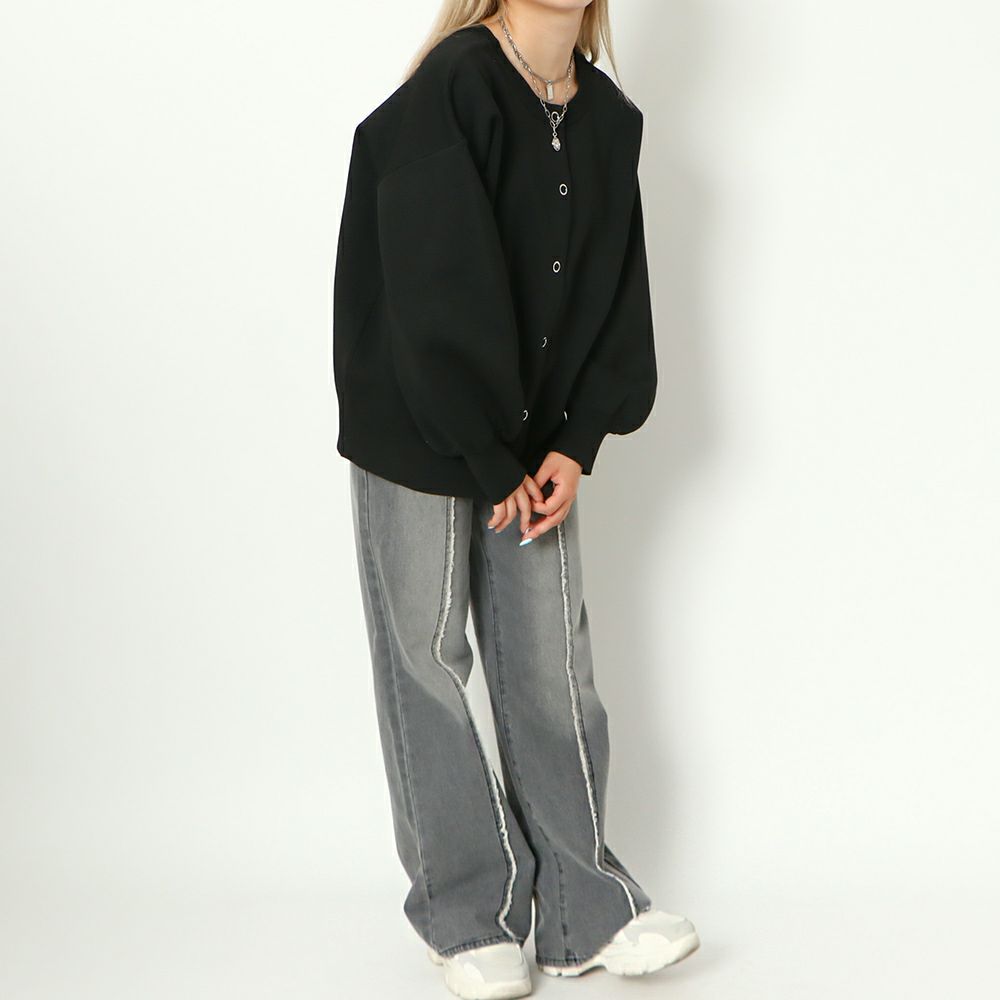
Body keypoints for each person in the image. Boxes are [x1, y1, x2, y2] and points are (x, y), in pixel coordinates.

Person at [332, 2, 699, 996]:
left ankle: (584, 912)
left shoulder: (607, 119)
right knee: (425, 656)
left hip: (535, 440)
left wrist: (576, 443)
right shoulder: (453, 86)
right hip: (417, 419)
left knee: (550, 661)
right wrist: (488, 458)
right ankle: (466, 911)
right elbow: (428, 287)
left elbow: (615, 293)